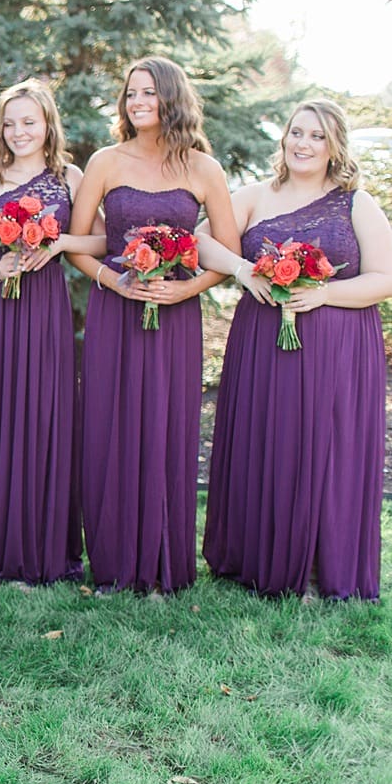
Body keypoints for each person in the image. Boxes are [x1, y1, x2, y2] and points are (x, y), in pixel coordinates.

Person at [199, 99, 391, 600]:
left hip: (339, 349)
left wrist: (325, 293)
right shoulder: (256, 196)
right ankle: (258, 558)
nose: (303, 144)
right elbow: (200, 239)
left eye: (317, 136)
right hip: (263, 342)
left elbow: (385, 277)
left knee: (326, 449)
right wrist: (242, 270)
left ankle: (319, 568)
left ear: (334, 148)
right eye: (297, 133)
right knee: (269, 440)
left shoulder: (355, 202)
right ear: (284, 139)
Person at [65, 58, 241, 595]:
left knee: (167, 429)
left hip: (176, 317)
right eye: (130, 93)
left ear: (171, 98)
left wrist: (185, 288)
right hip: (116, 312)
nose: (137, 101)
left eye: (148, 92)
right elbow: (78, 246)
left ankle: (165, 561)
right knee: (109, 426)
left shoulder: (202, 168)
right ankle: (114, 562)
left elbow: (229, 255)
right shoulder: (104, 161)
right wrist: (114, 282)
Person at [0, 81, 102, 585]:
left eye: (29, 122)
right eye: (10, 123)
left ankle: (40, 548)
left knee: (42, 414)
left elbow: (101, 238)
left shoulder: (70, 177)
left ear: (47, 125)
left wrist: (57, 242)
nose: (19, 132)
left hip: (45, 312)